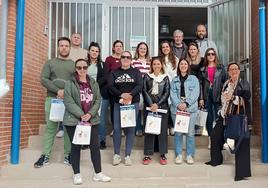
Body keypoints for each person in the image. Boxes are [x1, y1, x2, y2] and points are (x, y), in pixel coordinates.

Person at [63, 58, 111, 185]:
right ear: (75, 69)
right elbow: (68, 101)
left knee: (94, 146)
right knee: (76, 147)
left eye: (84, 67)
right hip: (74, 120)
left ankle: (98, 173)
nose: (82, 70)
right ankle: (77, 174)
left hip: (92, 119)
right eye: (79, 67)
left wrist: (90, 114)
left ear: (87, 68)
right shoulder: (70, 83)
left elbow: (97, 100)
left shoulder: (93, 82)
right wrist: (81, 114)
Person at [205, 62, 251, 181]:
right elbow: (223, 99)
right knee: (215, 135)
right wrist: (221, 110)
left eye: (236, 69)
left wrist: (234, 98)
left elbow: (246, 100)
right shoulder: (226, 83)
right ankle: (216, 160)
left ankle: (241, 173)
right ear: (229, 72)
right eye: (231, 69)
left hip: (237, 117)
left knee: (241, 142)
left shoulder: (243, 83)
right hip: (224, 115)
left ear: (239, 71)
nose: (234, 71)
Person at [34, 37, 74, 168]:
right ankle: (45, 155)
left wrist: (66, 92)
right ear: (58, 47)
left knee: (68, 129)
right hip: (52, 100)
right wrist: (58, 90)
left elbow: (76, 83)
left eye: (66, 46)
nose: (63, 48)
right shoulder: (50, 63)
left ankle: (68, 155)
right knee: (51, 129)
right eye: (61, 45)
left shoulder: (73, 64)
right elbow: (44, 79)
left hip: (68, 102)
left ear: (69, 48)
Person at [108, 51, 143, 166]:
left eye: (128, 57)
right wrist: (121, 95)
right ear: (120, 59)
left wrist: (130, 95)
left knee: (130, 129)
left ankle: (127, 155)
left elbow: (139, 85)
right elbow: (110, 86)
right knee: (117, 128)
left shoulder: (136, 72)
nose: (125, 59)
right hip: (119, 103)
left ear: (131, 59)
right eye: (123, 57)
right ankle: (117, 154)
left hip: (133, 103)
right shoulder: (114, 72)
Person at [56, 33, 88, 138]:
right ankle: (61, 128)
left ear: (81, 40)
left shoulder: (84, 52)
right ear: (71, 39)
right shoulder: (67, 50)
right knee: (64, 105)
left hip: (78, 81)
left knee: (77, 105)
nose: (76, 39)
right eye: (74, 37)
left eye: (78, 37)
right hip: (66, 80)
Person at [170, 59, 200, 164]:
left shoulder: (194, 79)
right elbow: (172, 94)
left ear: (188, 66)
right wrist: (179, 104)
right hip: (177, 109)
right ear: (179, 66)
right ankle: (178, 155)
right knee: (178, 132)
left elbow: (196, 93)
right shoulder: (174, 80)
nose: (183, 65)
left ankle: (189, 155)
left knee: (190, 133)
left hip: (190, 109)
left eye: (185, 64)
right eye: (181, 64)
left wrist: (186, 103)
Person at [142, 56, 170, 165]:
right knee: (150, 129)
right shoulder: (147, 76)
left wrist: (157, 104)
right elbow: (144, 91)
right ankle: (148, 154)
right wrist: (151, 104)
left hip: (162, 107)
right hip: (149, 107)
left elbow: (167, 93)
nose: (156, 66)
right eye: (154, 64)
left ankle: (162, 154)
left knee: (162, 131)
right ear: (152, 66)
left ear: (161, 65)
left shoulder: (165, 77)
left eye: (158, 64)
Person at [200, 48, 226, 149]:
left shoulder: (220, 68)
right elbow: (200, 84)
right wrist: (201, 98)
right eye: (208, 54)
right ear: (206, 56)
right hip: (207, 96)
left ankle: (220, 141)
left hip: (218, 95)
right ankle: (211, 139)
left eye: (213, 54)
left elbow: (225, 83)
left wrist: (223, 96)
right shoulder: (202, 69)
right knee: (209, 119)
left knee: (219, 118)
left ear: (215, 56)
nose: (211, 56)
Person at [87, 42, 107, 149]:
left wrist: (94, 87)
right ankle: (86, 140)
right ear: (89, 51)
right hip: (85, 94)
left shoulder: (103, 64)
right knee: (86, 117)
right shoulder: (84, 64)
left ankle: (101, 140)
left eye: (96, 51)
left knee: (101, 119)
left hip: (99, 94)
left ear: (99, 53)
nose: (94, 53)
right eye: (92, 50)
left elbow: (105, 78)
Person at [159, 40, 179, 136]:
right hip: (162, 86)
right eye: (163, 47)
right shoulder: (159, 59)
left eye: (167, 47)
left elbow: (177, 73)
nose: (165, 48)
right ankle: (165, 127)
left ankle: (172, 126)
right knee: (164, 106)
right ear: (161, 49)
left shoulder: (175, 59)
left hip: (173, 86)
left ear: (170, 48)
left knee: (172, 107)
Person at [105, 40, 124, 136]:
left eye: (120, 46)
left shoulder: (125, 58)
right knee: (114, 109)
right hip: (113, 90)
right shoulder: (109, 59)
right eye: (117, 46)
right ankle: (114, 128)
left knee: (124, 108)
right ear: (113, 48)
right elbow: (107, 74)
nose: (119, 48)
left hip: (124, 89)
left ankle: (123, 128)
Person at [132, 42, 151, 136]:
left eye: (144, 48)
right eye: (141, 48)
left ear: (147, 50)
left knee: (147, 108)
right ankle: (138, 128)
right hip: (138, 89)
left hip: (148, 89)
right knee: (138, 109)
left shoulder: (150, 62)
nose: (143, 50)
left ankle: (146, 128)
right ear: (138, 50)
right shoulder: (133, 61)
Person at [186, 42, 204, 135]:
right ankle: (188, 128)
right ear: (188, 51)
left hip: (199, 87)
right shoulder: (185, 61)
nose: (192, 51)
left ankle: (197, 129)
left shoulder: (202, 61)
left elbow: (201, 80)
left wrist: (201, 97)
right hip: (187, 89)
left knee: (197, 109)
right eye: (191, 49)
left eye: (194, 49)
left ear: (197, 50)